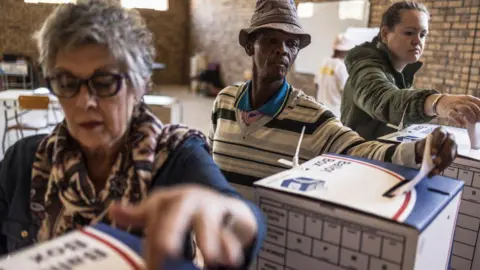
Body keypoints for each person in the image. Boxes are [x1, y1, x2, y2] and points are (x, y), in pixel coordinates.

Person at [0, 2, 265, 270]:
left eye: (105, 82)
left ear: (139, 85)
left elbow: (235, 214)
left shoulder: (176, 155)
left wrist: (230, 215)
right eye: (67, 83)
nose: (84, 102)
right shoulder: (24, 162)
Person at [208, 0, 457, 200]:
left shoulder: (312, 118)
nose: (282, 50)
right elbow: (211, 163)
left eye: (291, 43)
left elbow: (359, 150)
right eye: (271, 40)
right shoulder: (224, 101)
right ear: (251, 46)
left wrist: (414, 151)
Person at [341, 1, 480, 140]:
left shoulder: (402, 74)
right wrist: (437, 102)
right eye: (409, 33)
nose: (417, 41)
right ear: (385, 34)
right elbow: (382, 99)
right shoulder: (366, 66)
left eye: (423, 34)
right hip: (357, 157)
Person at [315, 33, 354, 118]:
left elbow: (317, 85)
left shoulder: (324, 62)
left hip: (320, 110)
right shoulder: (341, 66)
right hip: (335, 114)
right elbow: (347, 94)